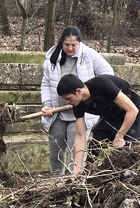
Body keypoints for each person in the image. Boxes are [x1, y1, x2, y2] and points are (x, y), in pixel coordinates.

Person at [40, 27, 114, 174]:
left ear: (80, 42)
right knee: (56, 151)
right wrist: (47, 105)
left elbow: (108, 75)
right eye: (67, 44)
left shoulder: (90, 55)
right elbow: (46, 84)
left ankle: (75, 182)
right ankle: (56, 185)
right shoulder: (52, 59)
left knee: (77, 151)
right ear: (62, 42)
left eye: (74, 45)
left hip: (80, 112)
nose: (70, 48)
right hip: (58, 113)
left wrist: (90, 94)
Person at [57, 73, 140, 175]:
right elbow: (80, 135)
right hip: (110, 114)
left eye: (68, 98)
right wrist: (77, 166)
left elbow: (132, 110)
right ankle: (94, 177)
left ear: (78, 91)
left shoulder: (102, 84)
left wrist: (119, 137)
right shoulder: (78, 104)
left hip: (131, 110)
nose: (67, 102)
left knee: (129, 149)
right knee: (97, 146)